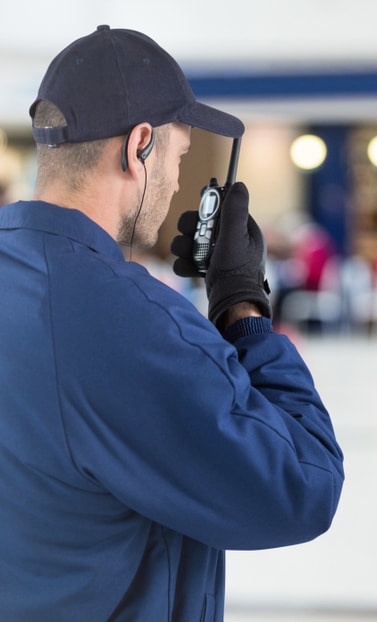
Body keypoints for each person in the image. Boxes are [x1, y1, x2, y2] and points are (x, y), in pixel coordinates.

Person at [0, 26, 344, 621]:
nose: (179, 181)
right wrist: (243, 307)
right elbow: (303, 487)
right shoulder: (128, 321)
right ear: (139, 148)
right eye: (178, 157)